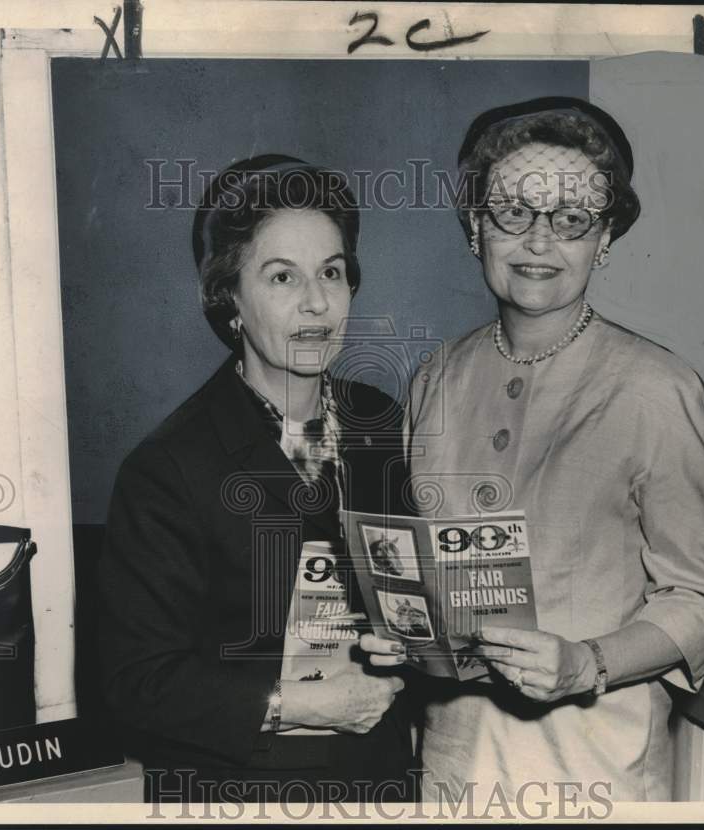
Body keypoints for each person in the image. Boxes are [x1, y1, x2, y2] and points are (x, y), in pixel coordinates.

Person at [362, 97, 704, 801]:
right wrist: (397, 636)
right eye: (513, 211)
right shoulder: (435, 380)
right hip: (453, 770)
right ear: (475, 227)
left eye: (571, 219)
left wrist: (588, 663)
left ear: (604, 241)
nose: (539, 241)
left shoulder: (656, 390)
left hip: (594, 775)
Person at [98, 155, 413, 803]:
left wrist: (410, 644)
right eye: (282, 277)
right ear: (230, 299)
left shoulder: (382, 424)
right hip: (238, 792)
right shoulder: (167, 469)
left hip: (377, 783)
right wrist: (299, 705)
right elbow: (136, 682)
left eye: (332, 272)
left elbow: (403, 596)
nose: (317, 302)